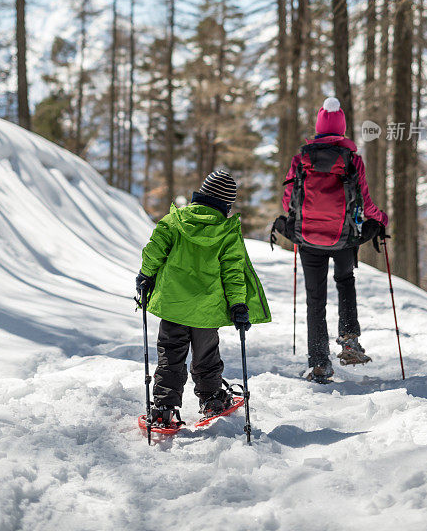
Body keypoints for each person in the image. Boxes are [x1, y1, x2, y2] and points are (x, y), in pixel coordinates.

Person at [136, 169, 271, 427]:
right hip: (206, 312)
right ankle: (212, 400)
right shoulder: (227, 232)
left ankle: (164, 408)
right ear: (225, 205)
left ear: (201, 195)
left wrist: (145, 276)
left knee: (171, 356)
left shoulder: (174, 221)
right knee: (206, 357)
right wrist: (238, 304)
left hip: (173, 306)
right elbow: (234, 273)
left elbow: (153, 252)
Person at [282, 97, 388, 383]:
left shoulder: (301, 160)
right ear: (342, 130)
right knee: (345, 282)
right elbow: (365, 203)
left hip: (307, 239)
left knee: (315, 300)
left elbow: (287, 202)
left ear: (318, 129)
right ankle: (350, 341)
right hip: (344, 238)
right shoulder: (352, 161)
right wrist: (381, 220)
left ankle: (318, 363)